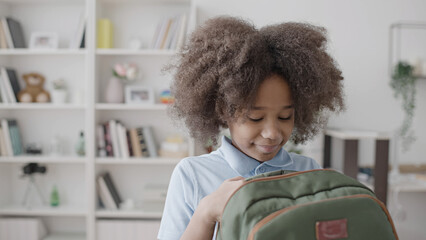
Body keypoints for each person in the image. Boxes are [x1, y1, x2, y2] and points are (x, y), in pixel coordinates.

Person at [157, 16, 344, 240]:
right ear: (224, 112)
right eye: (255, 118)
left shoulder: (308, 170)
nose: (272, 133)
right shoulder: (193, 174)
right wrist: (206, 212)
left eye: (285, 116)